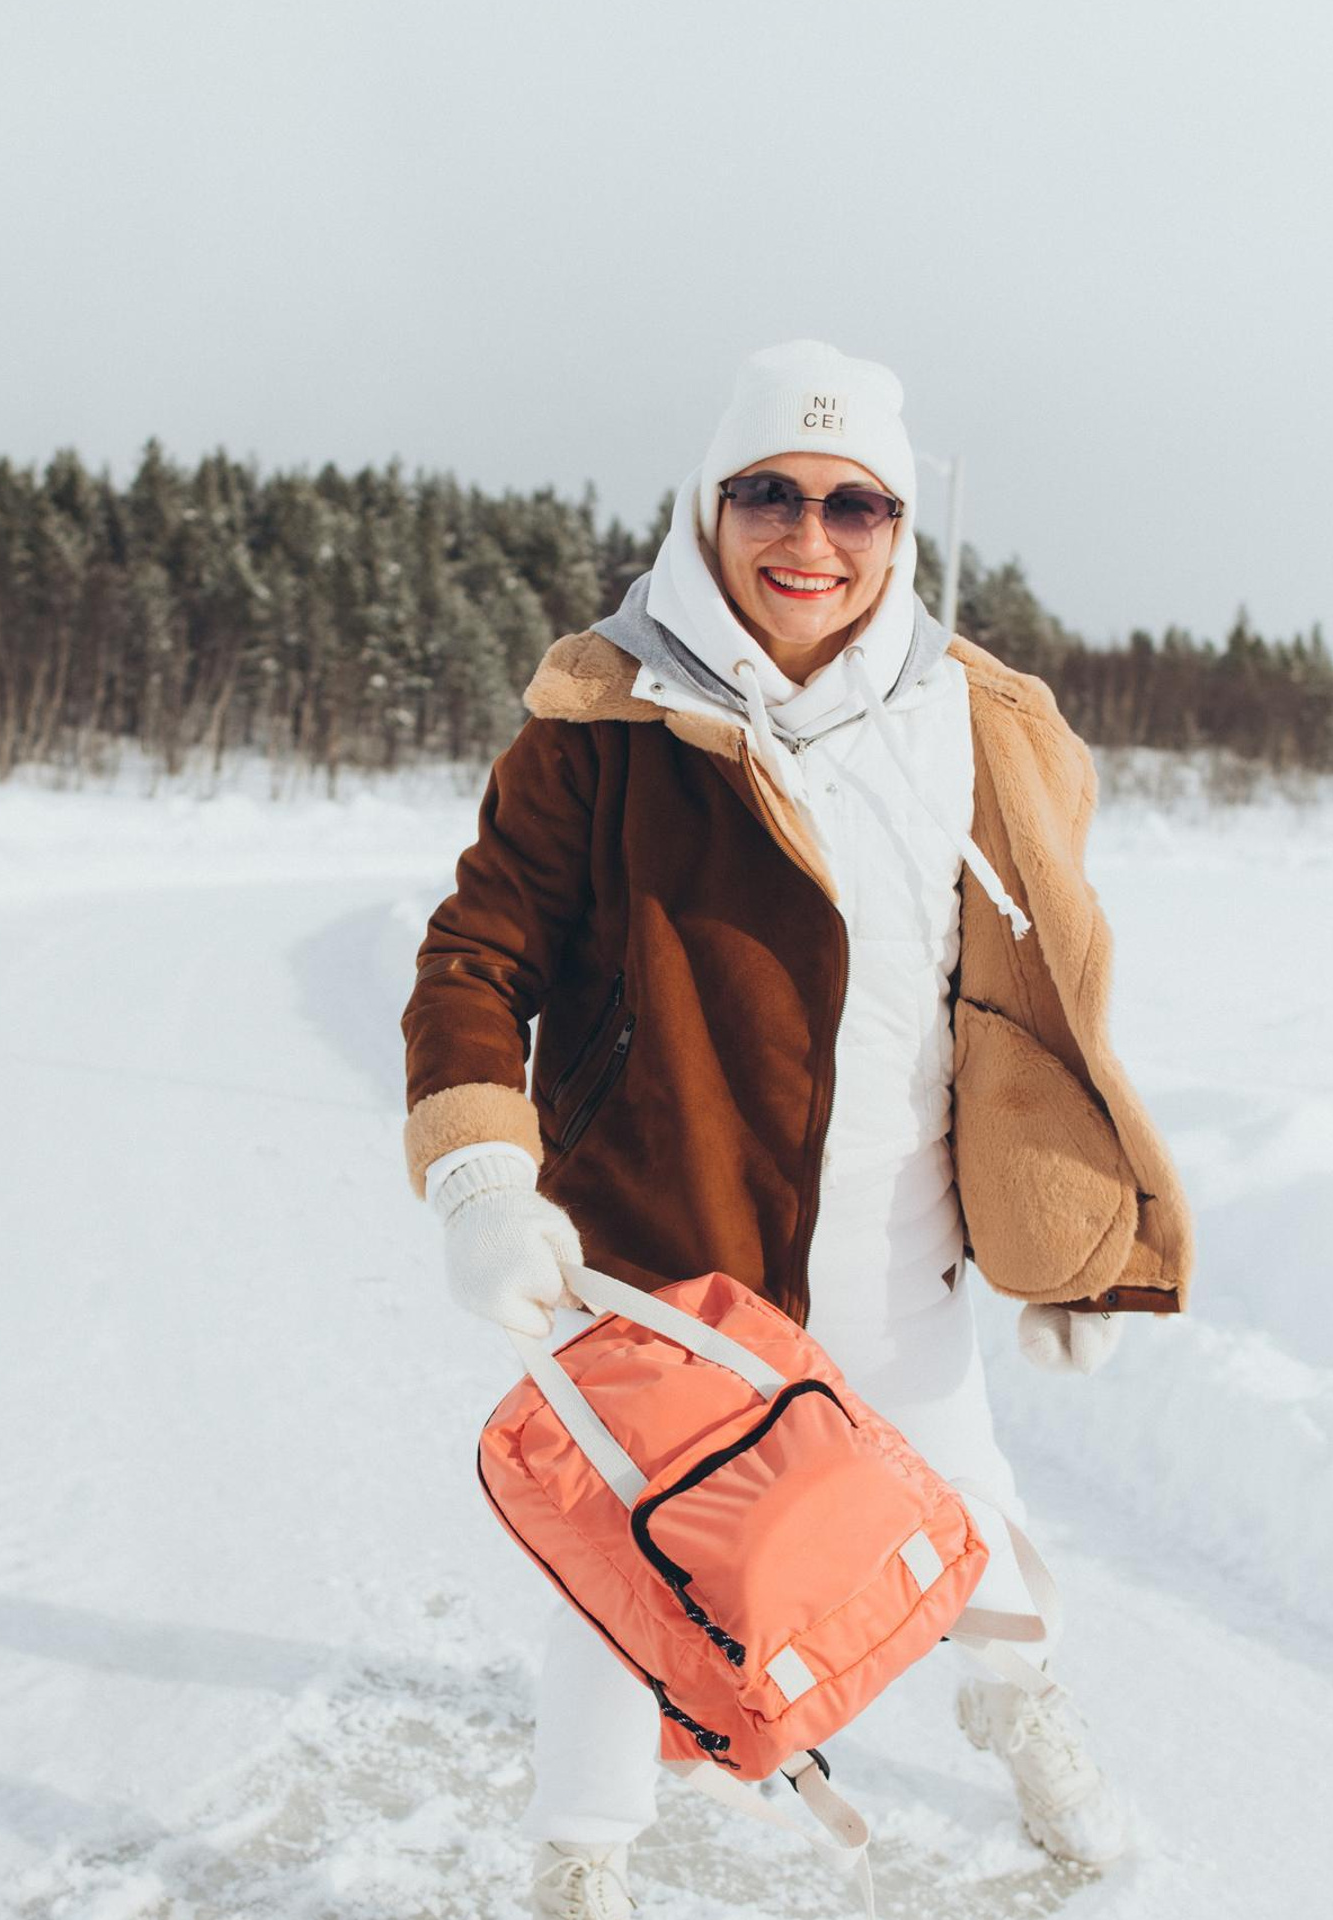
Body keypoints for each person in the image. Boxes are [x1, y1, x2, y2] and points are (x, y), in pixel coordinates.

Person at [399, 339, 1193, 1920]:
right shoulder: (604, 720)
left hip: (899, 1251)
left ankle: (1025, 1726)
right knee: (638, 1575)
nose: (807, 539)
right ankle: (580, 1865)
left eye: (854, 503)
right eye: (769, 491)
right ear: (710, 506)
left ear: (898, 528)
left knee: (965, 1526)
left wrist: (1073, 1241)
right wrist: (486, 1176)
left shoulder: (981, 725)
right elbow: (475, 959)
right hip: (667, 1252)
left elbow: (1041, 1007)